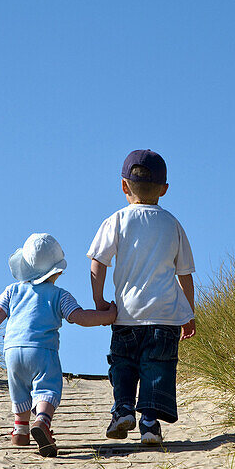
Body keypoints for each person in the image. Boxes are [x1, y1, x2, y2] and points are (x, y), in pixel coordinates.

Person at [0, 232, 116, 457]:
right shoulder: (59, 295)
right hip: (42, 350)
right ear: (57, 271)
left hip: (12, 350)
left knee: (19, 389)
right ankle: (43, 422)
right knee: (47, 388)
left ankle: (20, 430)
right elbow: (80, 317)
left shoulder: (12, 290)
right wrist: (109, 316)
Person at [87, 149, 196, 446]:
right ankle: (149, 422)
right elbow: (184, 273)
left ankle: (122, 408)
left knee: (123, 363)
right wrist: (189, 313)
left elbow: (98, 262)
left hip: (126, 313)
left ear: (124, 186)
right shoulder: (172, 224)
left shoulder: (116, 220)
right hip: (165, 315)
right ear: (164, 189)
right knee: (156, 368)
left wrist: (99, 301)